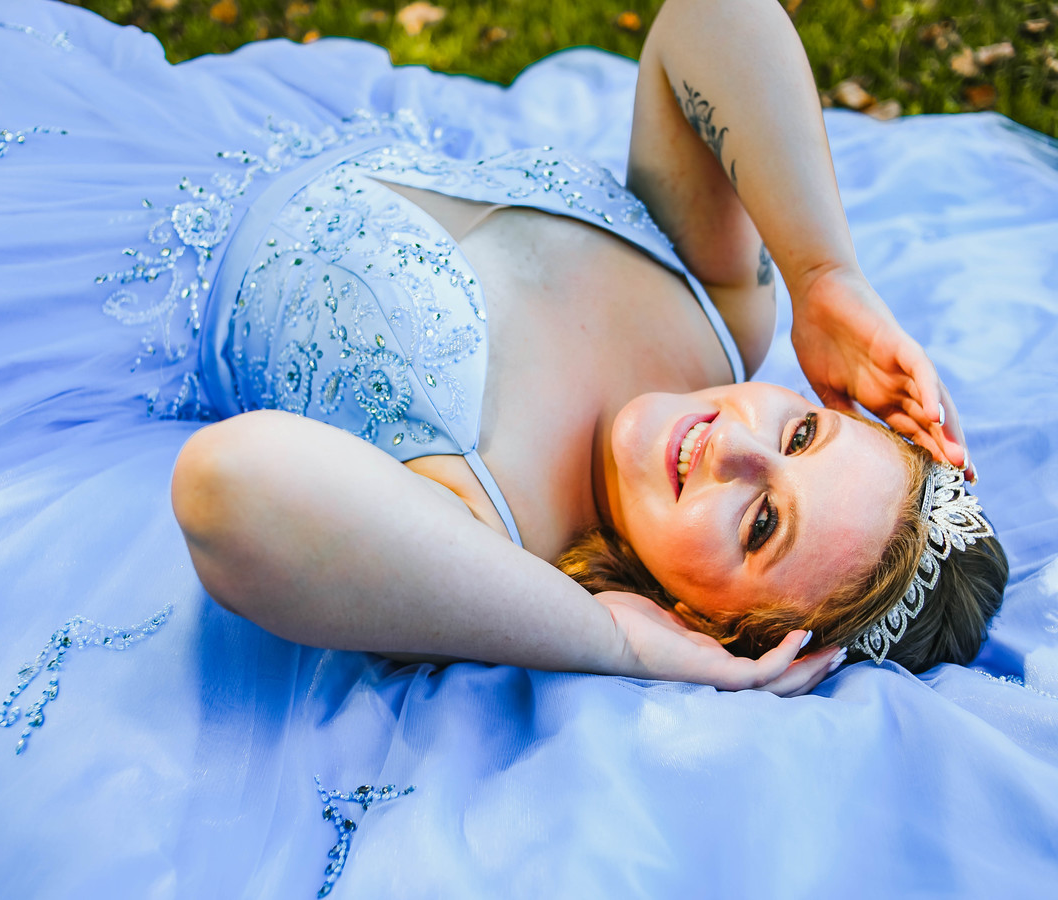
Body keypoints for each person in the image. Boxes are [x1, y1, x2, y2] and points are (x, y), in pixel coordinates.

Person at [168, 0, 1006, 695]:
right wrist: (822, 276)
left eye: (760, 525)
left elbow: (223, 482)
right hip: (270, 116)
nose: (736, 446)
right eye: (801, 433)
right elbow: (712, 17)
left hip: (146, 261)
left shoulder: (483, 543)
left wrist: (613, 641)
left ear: (711, 627)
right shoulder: (719, 313)